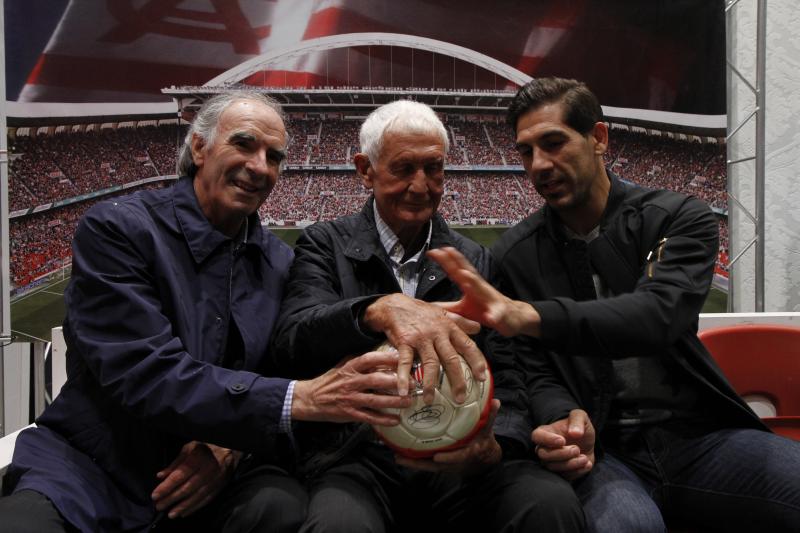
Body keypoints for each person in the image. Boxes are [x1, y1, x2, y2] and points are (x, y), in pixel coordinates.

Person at [0, 91, 411, 533]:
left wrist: (230, 449)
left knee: (281, 506)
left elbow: (275, 365)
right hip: (91, 467)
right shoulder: (119, 230)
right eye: (244, 144)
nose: (260, 166)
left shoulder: (279, 263)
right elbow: (147, 374)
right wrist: (299, 398)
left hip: (209, 476)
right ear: (199, 147)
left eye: (274, 157)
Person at [428, 77, 800, 532]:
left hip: (698, 437)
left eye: (554, 143)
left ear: (598, 138)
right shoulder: (514, 255)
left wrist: (530, 316)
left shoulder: (679, 217)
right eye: (526, 151)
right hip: (604, 452)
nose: (540, 165)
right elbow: (532, 369)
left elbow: (656, 316)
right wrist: (560, 416)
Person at [270, 100, 584, 532]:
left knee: (548, 502)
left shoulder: (474, 260)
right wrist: (376, 310)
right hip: (358, 459)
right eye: (403, 169)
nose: (421, 186)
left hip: (461, 457)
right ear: (366, 169)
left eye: (433, 168)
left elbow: (510, 373)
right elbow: (292, 338)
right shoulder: (323, 244)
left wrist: (497, 445)